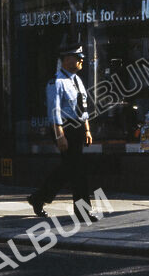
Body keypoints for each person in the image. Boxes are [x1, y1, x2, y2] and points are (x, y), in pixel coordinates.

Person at [28, 44, 100, 222]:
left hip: (77, 129)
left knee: (69, 169)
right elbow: (54, 111)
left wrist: (87, 129)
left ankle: (38, 197)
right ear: (67, 60)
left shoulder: (77, 80)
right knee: (78, 171)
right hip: (63, 128)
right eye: (78, 57)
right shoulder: (56, 83)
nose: (81, 60)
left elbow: (83, 108)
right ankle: (82, 212)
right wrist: (60, 136)